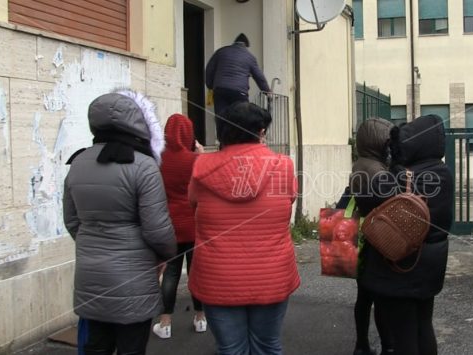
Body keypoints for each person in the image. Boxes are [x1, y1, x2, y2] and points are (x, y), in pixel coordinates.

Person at [63, 89, 177, 355]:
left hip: (90, 275)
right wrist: (166, 255)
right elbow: (157, 229)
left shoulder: (78, 162)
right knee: (131, 348)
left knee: (96, 346)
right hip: (134, 277)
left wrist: (93, 243)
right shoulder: (144, 165)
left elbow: (71, 220)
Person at [188, 102, 300, 355]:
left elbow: (192, 204)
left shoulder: (201, 168)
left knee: (230, 349)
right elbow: (288, 203)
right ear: (261, 132)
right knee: (268, 346)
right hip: (272, 274)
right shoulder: (283, 165)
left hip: (217, 276)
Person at [356, 114, 453, 355]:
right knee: (424, 325)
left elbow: (368, 202)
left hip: (403, 266)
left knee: (404, 335)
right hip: (432, 263)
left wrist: (393, 167)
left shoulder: (402, 176)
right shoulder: (443, 173)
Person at [153, 114, 207, 339]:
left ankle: (165, 323)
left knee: (171, 273)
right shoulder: (194, 160)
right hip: (194, 225)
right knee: (196, 272)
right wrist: (200, 155)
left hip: (169, 226)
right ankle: (200, 318)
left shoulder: (158, 159)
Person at [347, 118, 394, 355]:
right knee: (381, 299)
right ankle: (387, 346)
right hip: (376, 240)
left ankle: (361, 345)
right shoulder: (379, 172)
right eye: (388, 141)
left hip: (361, 241)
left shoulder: (360, 164)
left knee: (364, 297)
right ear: (378, 142)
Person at [205, 33, 271, 138]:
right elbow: (259, 77)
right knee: (241, 119)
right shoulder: (249, 57)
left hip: (220, 90)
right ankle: (239, 143)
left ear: (234, 43)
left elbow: (209, 70)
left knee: (221, 117)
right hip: (239, 92)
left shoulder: (221, 52)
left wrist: (210, 85)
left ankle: (222, 143)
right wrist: (268, 92)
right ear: (246, 45)